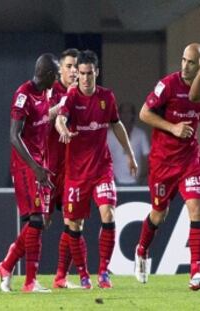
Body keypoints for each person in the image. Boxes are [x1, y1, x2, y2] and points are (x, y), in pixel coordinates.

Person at [55, 50, 137, 289]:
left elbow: (117, 124)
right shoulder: (71, 98)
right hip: (76, 173)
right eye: (81, 74)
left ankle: (103, 272)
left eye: (90, 73)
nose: (86, 78)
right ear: (77, 75)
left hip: (102, 168)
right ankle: (83, 274)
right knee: (74, 224)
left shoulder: (106, 98)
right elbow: (60, 118)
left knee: (109, 214)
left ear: (96, 73)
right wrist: (63, 130)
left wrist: (130, 154)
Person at [134, 43, 200, 290]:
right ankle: (142, 249)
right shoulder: (168, 85)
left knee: (195, 207)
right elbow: (143, 113)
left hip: (189, 160)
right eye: (183, 60)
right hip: (163, 162)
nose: (185, 66)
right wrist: (173, 127)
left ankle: (196, 270)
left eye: (191, 62)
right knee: (158, 215)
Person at [0, 53, 59, 293]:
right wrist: (35, 167)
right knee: (36, 222)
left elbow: (42, 133)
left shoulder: (45, 94)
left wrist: (44, 166)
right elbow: (14, 136)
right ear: (50, 74)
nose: (59, 79)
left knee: (34, 225)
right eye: (58, 73)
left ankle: (10, 268)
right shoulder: (23, 95)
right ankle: (26, 280)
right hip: (25, 166)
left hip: (39, 166)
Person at [49, 48, 79, 289]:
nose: (73, 71)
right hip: (48, 168)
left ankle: (61, 276)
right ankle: (8, 264)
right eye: (68, 66)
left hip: (72, 169)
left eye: (76, 67)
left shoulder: (83, 94)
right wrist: (64, 100)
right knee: (40, 223)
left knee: (73, 221)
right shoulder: (52, 91)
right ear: (60, 69)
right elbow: (44, 116)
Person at [107, 103, 150, 185]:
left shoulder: (141, 134)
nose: (126, 115)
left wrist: (141, 177)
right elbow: (103, 159)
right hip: (114, 182)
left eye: (129, 112)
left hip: (136, 183)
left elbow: (148, 158)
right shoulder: (109, 135)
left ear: (133, 115)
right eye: (123, 112)